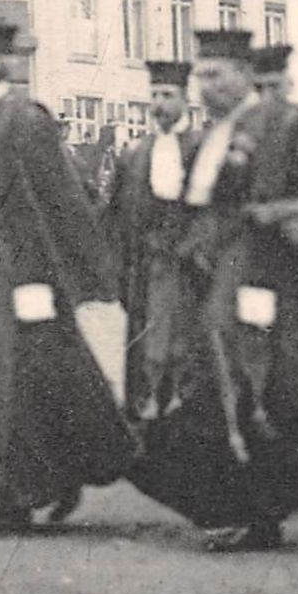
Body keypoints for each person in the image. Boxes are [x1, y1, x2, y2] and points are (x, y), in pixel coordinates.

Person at [127, 29, 298, 548]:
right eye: (199, 75)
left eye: (214, 74)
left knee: (264, 396)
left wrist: (294, 216)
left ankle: (261, 515)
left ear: (244, 76)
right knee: (214, 393)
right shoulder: (209, 136)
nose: (203, 85)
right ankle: (241, 510)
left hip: (270, 285)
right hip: (213, 282)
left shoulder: (288, 126)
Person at [0, 17, 132, 534]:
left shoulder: (24, 121)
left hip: (19, 280)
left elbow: (58, 201)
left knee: (9, 387)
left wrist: (51, 279)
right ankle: (54, 480)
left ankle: (10, 502)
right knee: (26, 383)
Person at [104, 59, 199, 423]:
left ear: (185, 98)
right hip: (146, 270)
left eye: (168, 95)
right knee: (148, 351)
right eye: (154, 95)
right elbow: (115, 215)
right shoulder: (136, 154)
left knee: (186, 350)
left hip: (191, 270)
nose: (159, 104)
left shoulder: (201, 148)